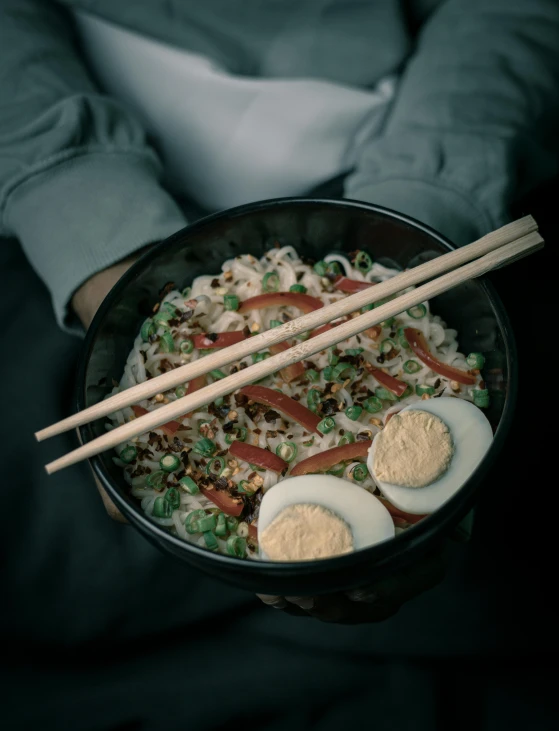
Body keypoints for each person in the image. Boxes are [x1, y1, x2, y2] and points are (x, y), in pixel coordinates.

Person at [1, 2, 558, 729]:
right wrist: (95, 237)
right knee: (42, 572)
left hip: (406, 143)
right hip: (57, 134)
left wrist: (405, 223)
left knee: (498, 569)